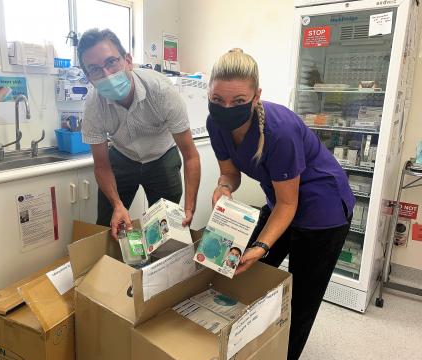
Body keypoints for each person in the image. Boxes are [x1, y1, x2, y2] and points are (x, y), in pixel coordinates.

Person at [207, 49, 355, 360]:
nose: (225, 108)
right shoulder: (216, 123)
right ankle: (246, 343)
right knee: (244, 273)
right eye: (218, 99)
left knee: (299, 298)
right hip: (281, 202)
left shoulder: (279, 131)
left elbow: (290, 205)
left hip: (322, 207)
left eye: (238, 101)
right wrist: (223, 188)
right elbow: (229, 174)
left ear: (256, 96)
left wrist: (261, 246)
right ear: (208, 93)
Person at [78, 29, 201, 238]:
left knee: (166, 229)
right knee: (109, 227)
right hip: (122, 156)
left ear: (128, 60)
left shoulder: (161, 91)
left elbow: (190, 156)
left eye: (111, 62)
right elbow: (101, 165)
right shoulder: (93, 106)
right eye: (95, 70)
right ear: (89, 77)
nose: (107, 74)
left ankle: (160, 268)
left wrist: (190, 207)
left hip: (162, 156)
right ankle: (112, 268)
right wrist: (117, 204)